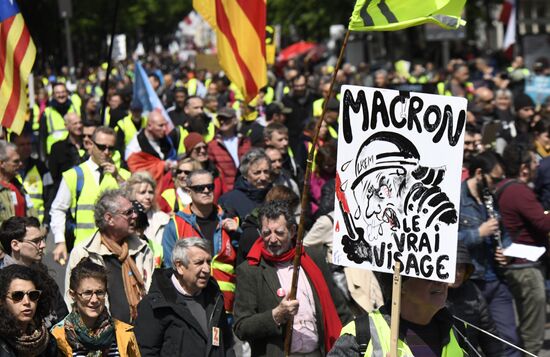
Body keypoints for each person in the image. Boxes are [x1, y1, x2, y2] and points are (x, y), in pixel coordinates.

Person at [234, 201, 352, 356]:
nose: (273, 239)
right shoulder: (250, 270)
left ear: (292, 231)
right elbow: (242, 327)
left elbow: (339, 309)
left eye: (279, 232)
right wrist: (276, 315)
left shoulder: (312, 258)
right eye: (267, 233)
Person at [64, 189, 154, 324]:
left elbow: (150, 291)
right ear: (109, 219)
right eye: (128, 212)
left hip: (141, 334)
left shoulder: (143, 249)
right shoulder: (84, 252)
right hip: (103, 337)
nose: (135, 216)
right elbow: (72, 300)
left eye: (133, 211)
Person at [328, 272, 472, 356]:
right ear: (400, 283)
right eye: (428, 272)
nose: (440, 281)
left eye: (442, 270)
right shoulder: (360, 335)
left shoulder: (458, 332)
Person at [134, 238, 235, 356]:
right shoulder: (155, 304)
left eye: (208, 262)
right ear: (180, 266)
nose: (207, 269)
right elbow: (145, 352)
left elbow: (226, 345)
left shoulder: (215, 299)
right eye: (199, 263)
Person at [496, 142, 550, 355]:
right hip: (525, 267)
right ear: (524, 168)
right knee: (532, 331)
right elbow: (543, 224)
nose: (538, 164)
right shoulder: (518, 191)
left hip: (520, 265)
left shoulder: (507, 188)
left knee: (528, 324)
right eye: (534, 160)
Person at [162, 169, 239, 313]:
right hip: (190, 306)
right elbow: (169, 268)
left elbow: (243, 262)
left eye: (210, 187)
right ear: (188, 191)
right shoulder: (176, 224)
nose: (206, 191)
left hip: (227, 307)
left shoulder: (230, 220)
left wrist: (239, 234)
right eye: (199, 188)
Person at [50, 126, 130, 263]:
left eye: (111, 148)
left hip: (116, 251)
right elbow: (58, 209)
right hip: (84, 250)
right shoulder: (74, 175)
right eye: (102, 147)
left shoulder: (123, 175)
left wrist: (119, 178)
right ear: (90, 145)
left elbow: (134, 207)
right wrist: (60, 241)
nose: (107, 152)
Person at [52, 258, 140, 356]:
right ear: (73, 295)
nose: (94, 300)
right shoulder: (57, 337)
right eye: (87, 293)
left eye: (99, 292)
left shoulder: (123, 333)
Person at [0, 216, 69, 324]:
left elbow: (62, 316)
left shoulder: (44, 276)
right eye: (36, 241)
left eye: (42, 239)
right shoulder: (2, 281)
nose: (43, 245)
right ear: (15, 245)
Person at [447, 242, 504, 357]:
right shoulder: (427, 294)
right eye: (452, 267)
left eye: (461, 268)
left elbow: (489, 335)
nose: (457, 274)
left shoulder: (473, 291)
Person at [0, 264, 58, 356]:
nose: (27, 302)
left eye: (33, 295)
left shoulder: (48, 342)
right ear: (2, 300)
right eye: (17, 296)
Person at [218, 148, 273, 221]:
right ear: (245, 175)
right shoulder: (229, 200)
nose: (263, 178)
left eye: (266, 172)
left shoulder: (276, 195)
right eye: (257, 173)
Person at [125, 110, 177, 182]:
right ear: (149, 126)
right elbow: (136, 171)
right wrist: (162, 166)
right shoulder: (135, 147)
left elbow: (173, 156)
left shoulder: (167, 140)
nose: (165, 129)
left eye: (166, 125)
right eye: (160, 125)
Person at [207, 107, 251, 191]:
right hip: (226, 191)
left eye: (225, 118)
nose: (222, 121)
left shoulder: (245, 141)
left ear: (235, 120)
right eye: (220, 119)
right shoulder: (212, 145)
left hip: (247, 188)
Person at [125, 171, 170, 249]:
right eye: (142, 192)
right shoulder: (124, 219)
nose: (148, 197)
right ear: (131, 195)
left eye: (151, 192)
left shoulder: (164, 219)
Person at [39, 82, 80, 157]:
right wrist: (43, 158)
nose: (61, 95)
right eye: (57, 93)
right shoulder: (47, 113)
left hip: (74, 152)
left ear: (67, 93)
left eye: (63, 92)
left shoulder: (75, 108)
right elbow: (42, 138)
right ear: (53, 95)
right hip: (54, 155)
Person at [0, 140, 35, 223]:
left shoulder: (18, 186)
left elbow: (30, 211)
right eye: (16, 161)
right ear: (2, 163)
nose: (20, 164)